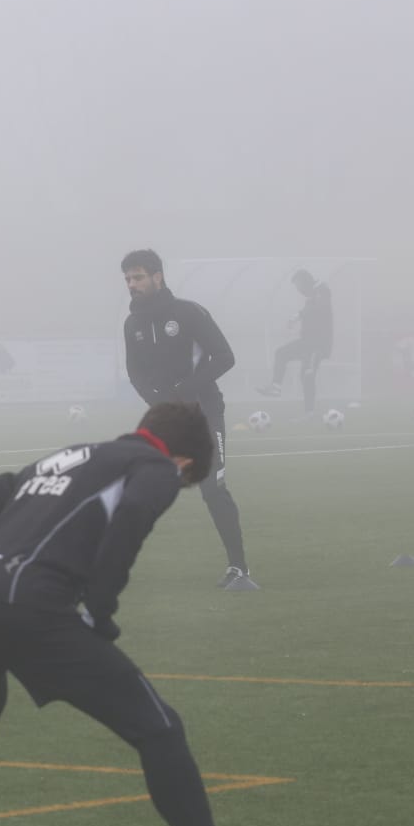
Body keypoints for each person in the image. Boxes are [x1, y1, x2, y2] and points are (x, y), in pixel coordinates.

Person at [0, 403, 251, 826]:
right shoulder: (156, 466)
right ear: (184, 462)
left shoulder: (66, 458)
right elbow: (137, 510)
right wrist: (100, 609)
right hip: (30, 607)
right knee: (159, 728)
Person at [121, 250, 250, 588]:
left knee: (212, 488)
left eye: (137, 277)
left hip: (205, 413)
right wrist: (157, 401)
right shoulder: (132, 324)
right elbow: (134, 373)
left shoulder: (188, 313)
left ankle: (239, 568)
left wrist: (185, 389)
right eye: (128, 279)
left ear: (157, 276)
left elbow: (225, 357)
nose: (131, 284)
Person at [255, 269, 333, 417]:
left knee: (307, 374)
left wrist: (299, 315)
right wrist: (297, 318)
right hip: (307, 342)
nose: (298, 290)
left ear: (306, 282)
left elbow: (319, 308)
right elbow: (310, 309)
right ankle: (276, 387)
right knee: (281, 353)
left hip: (318, 344)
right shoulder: (312, 296)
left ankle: (309, 413)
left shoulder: (322, 290)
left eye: (298, 286)